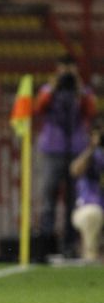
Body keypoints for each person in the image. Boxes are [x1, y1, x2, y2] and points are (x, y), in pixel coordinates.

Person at [33, 54, 96, 262]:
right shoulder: (48, 89)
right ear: (57, 69)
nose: (66, 73)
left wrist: (78, 88)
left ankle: (70, 245)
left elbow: (91, 111)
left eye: (70, 69)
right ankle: (47, 244)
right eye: (63, 68)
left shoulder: (82, 91)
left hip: (75, 149)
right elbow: (39, 107)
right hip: (52, 148)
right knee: (49, 198)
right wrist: (54, 87)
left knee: (73, 200)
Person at [69, 116, 104, 263]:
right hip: (89, 207)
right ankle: (90, 258)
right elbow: (75, 170)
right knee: (92, 214)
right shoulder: (91, 155)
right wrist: (92, 147)